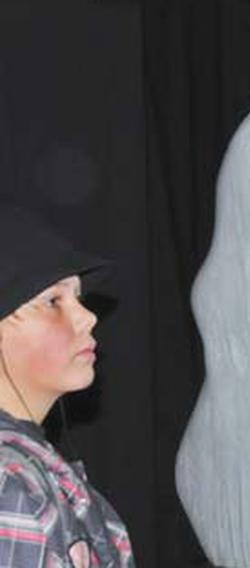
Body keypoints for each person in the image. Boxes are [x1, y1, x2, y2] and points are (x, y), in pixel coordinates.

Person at [0, 207, 133, 567]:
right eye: (53, 301)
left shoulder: (29, 472)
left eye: (78, 298)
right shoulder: (8, 485)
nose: (87, 316)